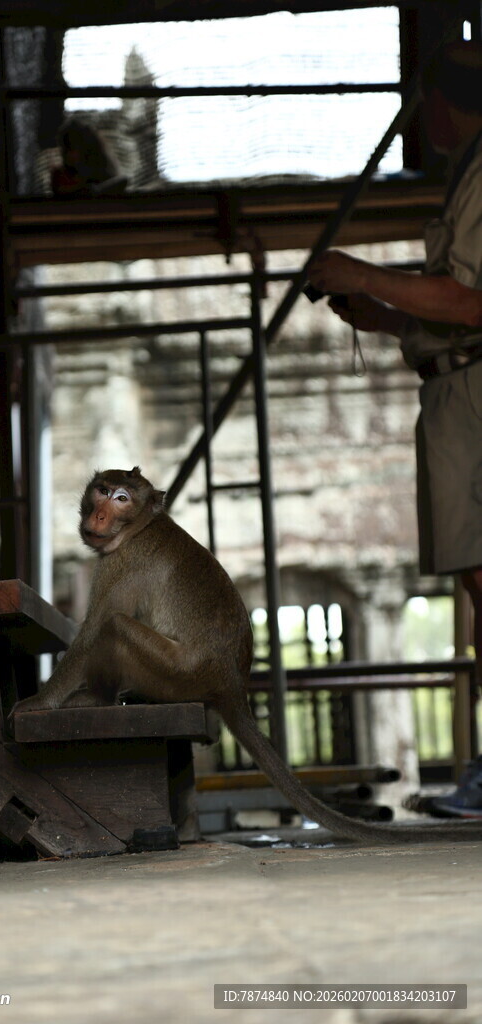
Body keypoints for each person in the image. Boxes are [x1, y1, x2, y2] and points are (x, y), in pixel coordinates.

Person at [308, 40, 482, 817]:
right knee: (478, 585)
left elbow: (473, 304)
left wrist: (360, 275)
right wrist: (381, 315)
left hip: (476, 387)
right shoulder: (466, 174)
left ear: (444, 104)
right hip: (453, 387)